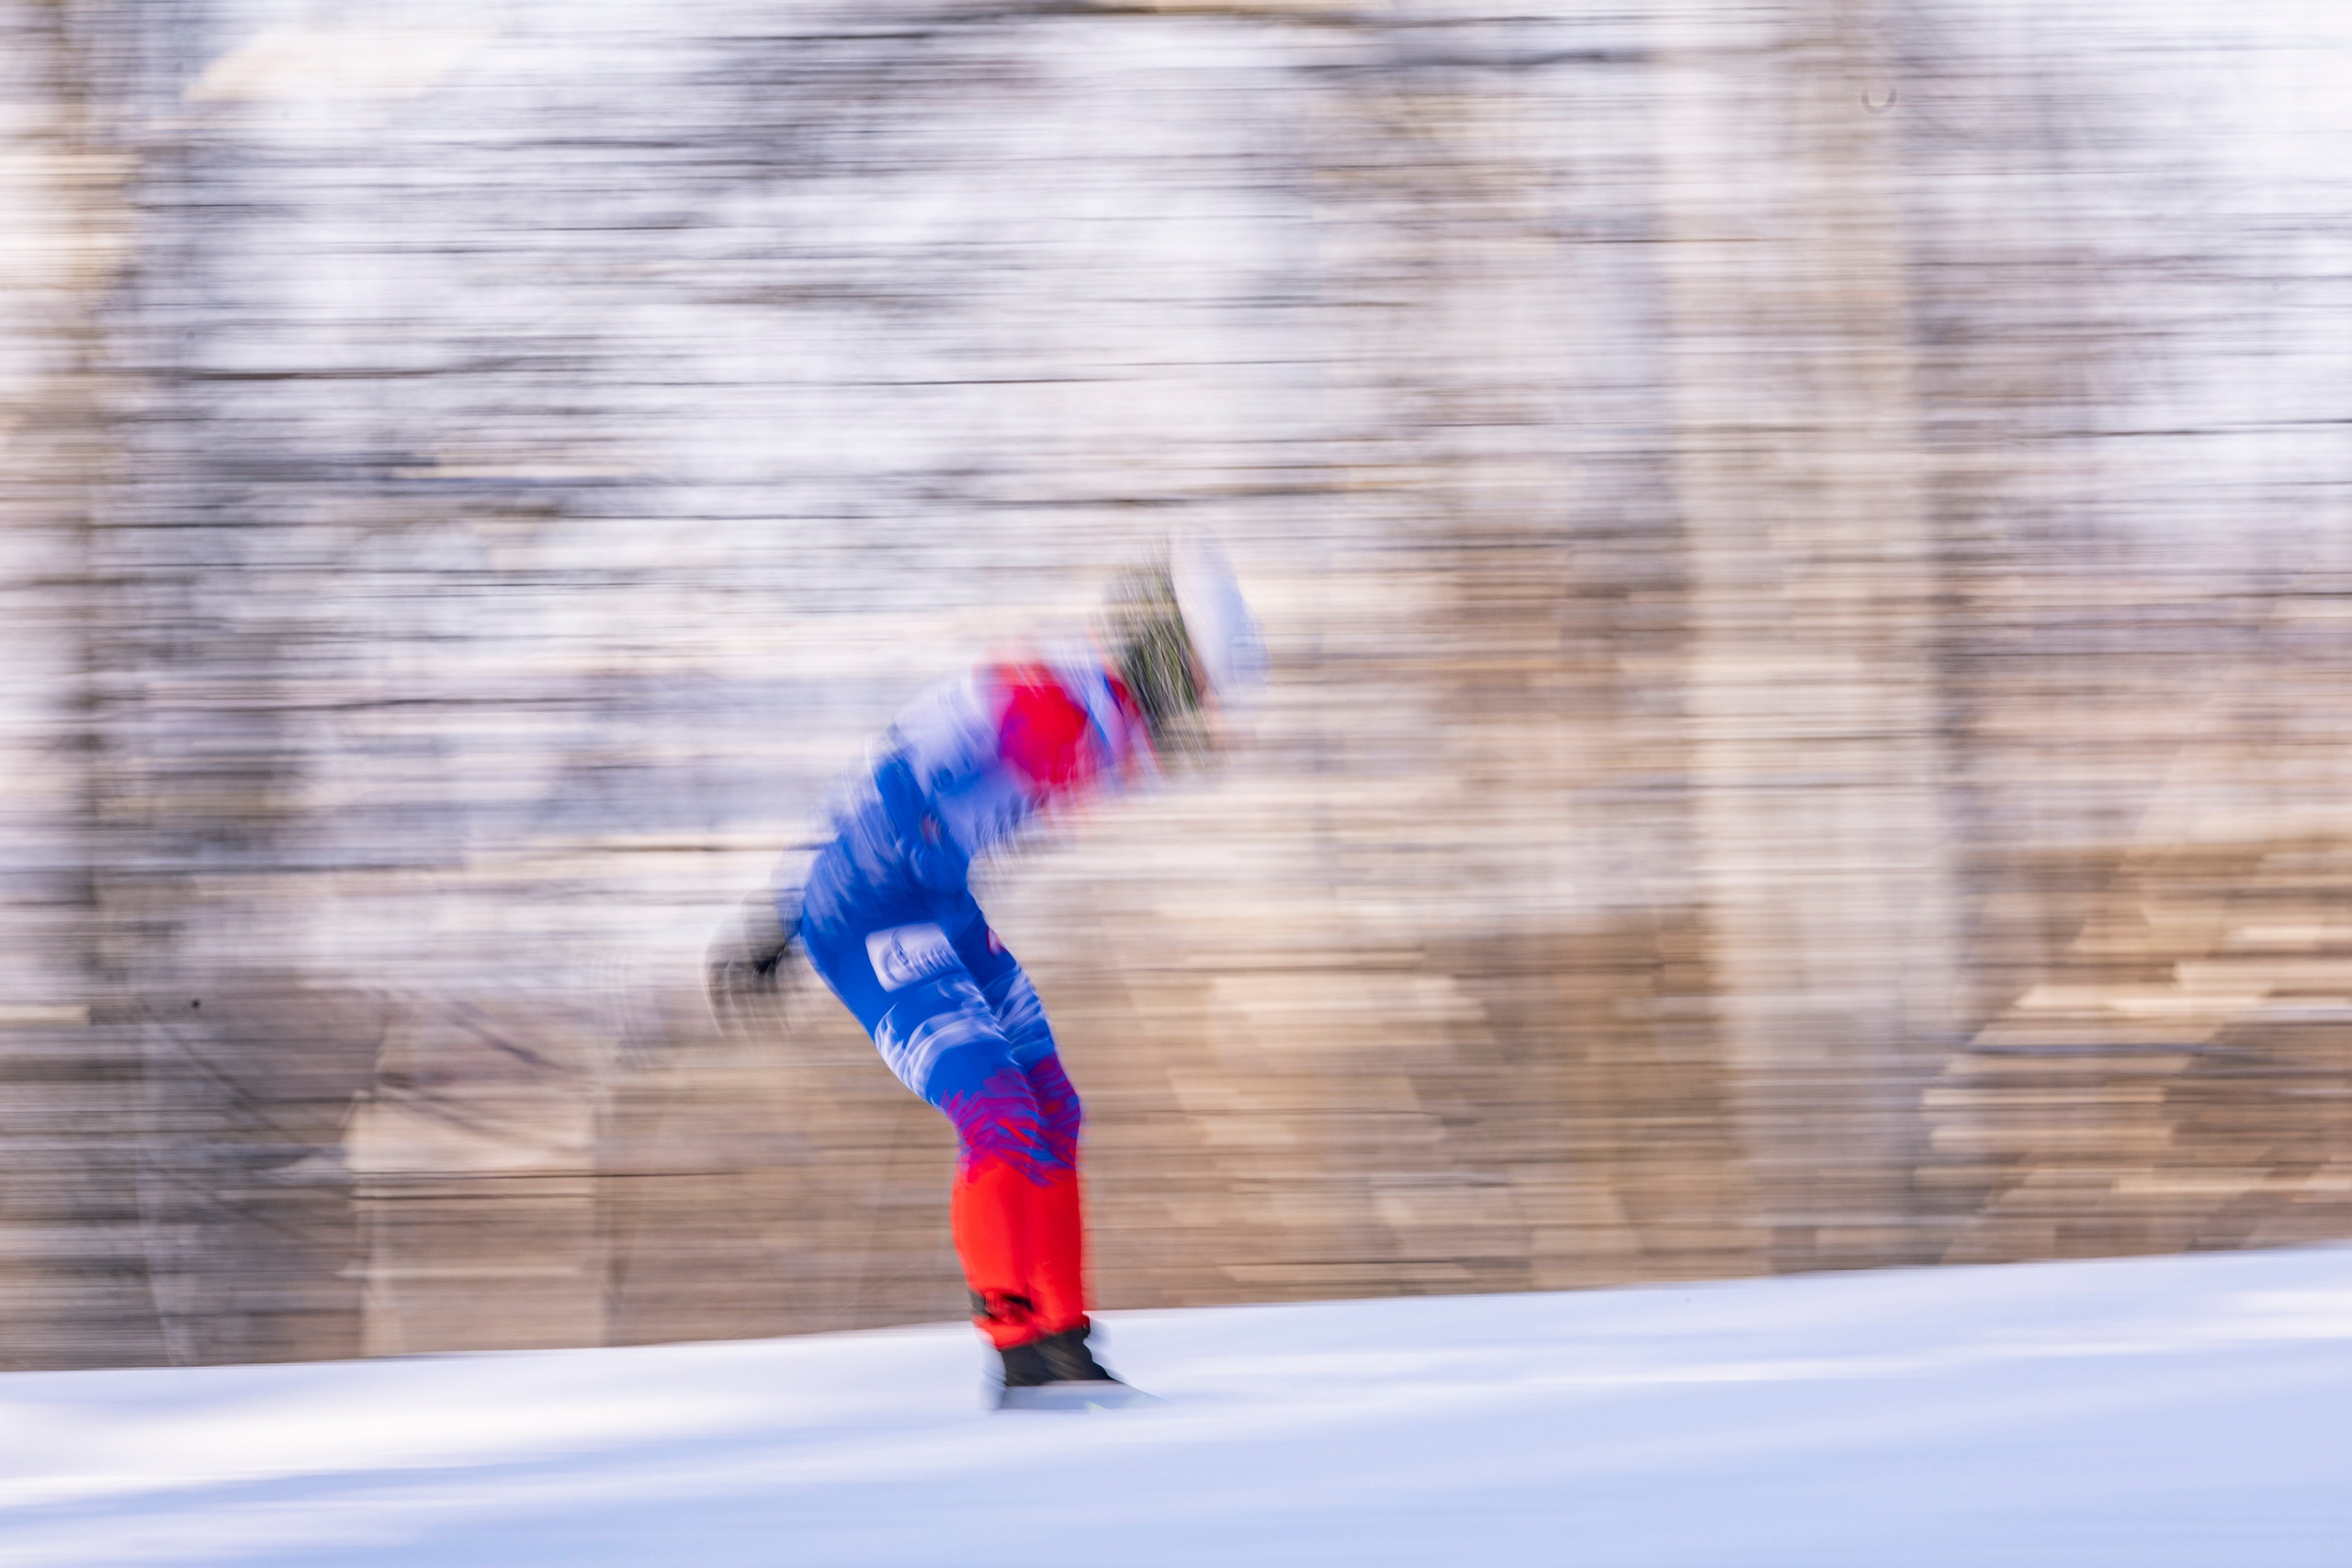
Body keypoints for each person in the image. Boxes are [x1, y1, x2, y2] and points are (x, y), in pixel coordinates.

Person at [707, 538, 1263, 1406]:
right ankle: (1017, 1351)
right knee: (999, 1114)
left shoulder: (1094, 716)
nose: (1191, 719)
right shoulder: (1049, 701)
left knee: (1053, 1107)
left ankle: (1063, 1339)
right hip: (866, 913)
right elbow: (890, 778)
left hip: (938, 902)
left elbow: (906, 770)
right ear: (1162, 663)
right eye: (1193, 690)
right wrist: (783, 915)